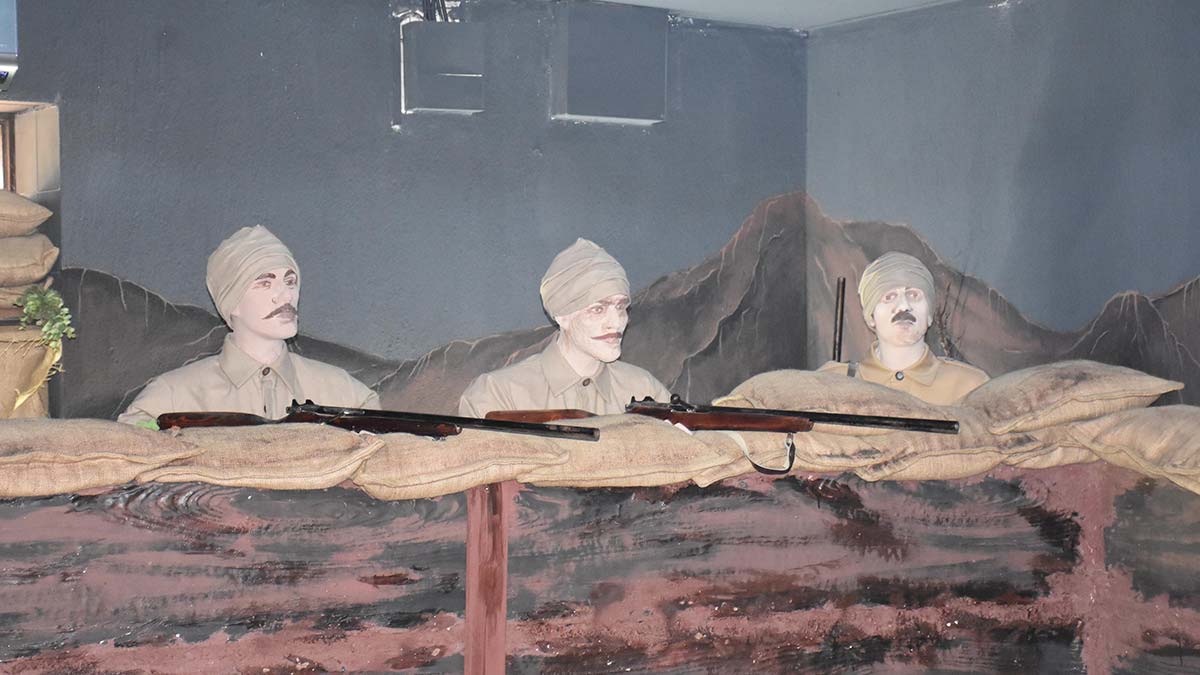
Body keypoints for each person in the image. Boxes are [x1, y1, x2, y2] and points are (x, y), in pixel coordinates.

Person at [118, 226, 378, 425]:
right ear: (231, 301)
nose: (285, 295)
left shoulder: (347, 394)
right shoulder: (172, 396)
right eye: (265, 283)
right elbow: (124, 454)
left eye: (290, 281)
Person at [459, 238, 670, 417]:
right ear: (562, 316)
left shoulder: (645, 390)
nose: (616, 322)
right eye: (598, 309)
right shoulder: (498, 396)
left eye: (621, 307)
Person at [819, 251, 988, 405]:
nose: (903, 306)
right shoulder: (828, 384)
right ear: (871, 317)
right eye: (889, 297)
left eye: (914, 295)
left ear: (929, 315)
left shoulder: (971, 387)